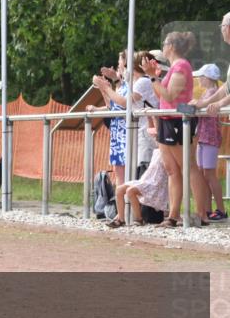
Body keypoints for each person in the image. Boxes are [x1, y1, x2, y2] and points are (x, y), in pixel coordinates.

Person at [143, 31, 209, 227]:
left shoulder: (181, 66)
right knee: (172, 170)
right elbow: (162, 95)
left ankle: (201, 214)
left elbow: (170, 95)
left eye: (164, 43)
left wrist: (152, 77)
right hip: (167, 120)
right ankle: (173, 215)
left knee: (188, 166)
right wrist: (154, 77)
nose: (163, 46)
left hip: (178, 121)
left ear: (171, 46)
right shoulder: (174, 67)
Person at [88, 51, 129, 188]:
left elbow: (123, 104)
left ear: (126, 63)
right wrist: (103, 88)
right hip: (118, 134)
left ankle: (125, 201)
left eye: (119, 61)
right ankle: (121, 202)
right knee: (119, 175)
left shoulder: (131, 84)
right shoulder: (122, 84)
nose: (117, 65)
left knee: (126, 176)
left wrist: (104, 87)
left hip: (126, 133)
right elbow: (112, 107)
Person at [193, 63, 226, 221]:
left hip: (210, 137)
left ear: (208, 78)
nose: (199, 79)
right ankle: (207, 209)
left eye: (201, 76)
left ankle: (220, 209)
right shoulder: (207, 93)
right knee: (203, 173)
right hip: (203, 137)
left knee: (209, 173)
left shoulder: (213, 93)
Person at [107, 147, 169, 228]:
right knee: (119, 189)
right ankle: (120, 219)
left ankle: (139, 219)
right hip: (146, 180)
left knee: (130, 191)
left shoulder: (168, 152)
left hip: (156, 184)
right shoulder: (156, 151)